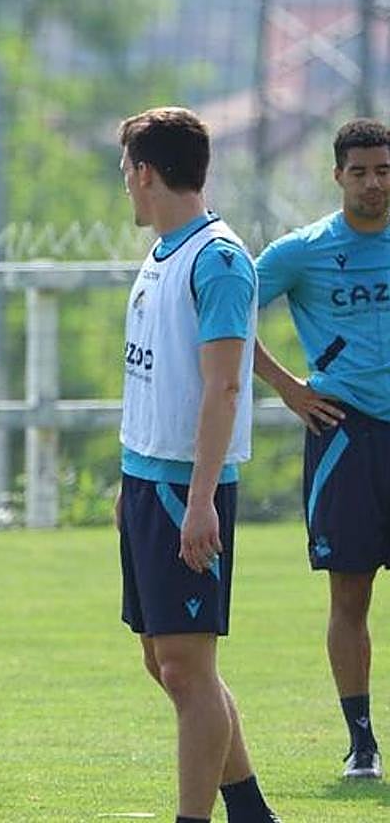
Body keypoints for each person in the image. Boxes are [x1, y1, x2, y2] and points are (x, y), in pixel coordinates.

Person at [115, 107, 279, 823]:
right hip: (148, 481)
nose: (125, 184)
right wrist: (130, 482)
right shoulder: (160, 255)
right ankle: (250, 811)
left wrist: (202, 498)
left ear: (146, 173)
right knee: (167, 663)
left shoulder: (217, 259)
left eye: (126, 171)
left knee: (187, 669)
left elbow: (224, 384)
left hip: (189, 485)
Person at [253, 117, 390, 781]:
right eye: (360, 171)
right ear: (338, 175)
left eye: (384, 170)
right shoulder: (303, 252)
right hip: (345, 435)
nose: (373, 182)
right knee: (350, 594)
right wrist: (286, 387)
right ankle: (361, 740)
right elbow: (221, 309)